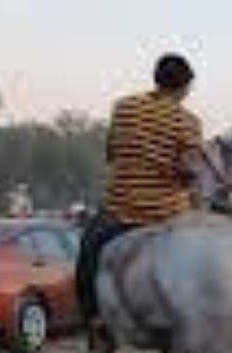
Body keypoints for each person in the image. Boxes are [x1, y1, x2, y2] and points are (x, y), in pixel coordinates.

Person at [75, 52, 204, 333]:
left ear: (156, 79)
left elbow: (111, 152)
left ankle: (94, 320)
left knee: (88, 252)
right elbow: (189, 171)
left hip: (120, 210)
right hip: (168, 215)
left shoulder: (124, 107)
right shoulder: (189, 122)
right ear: (185, 86)